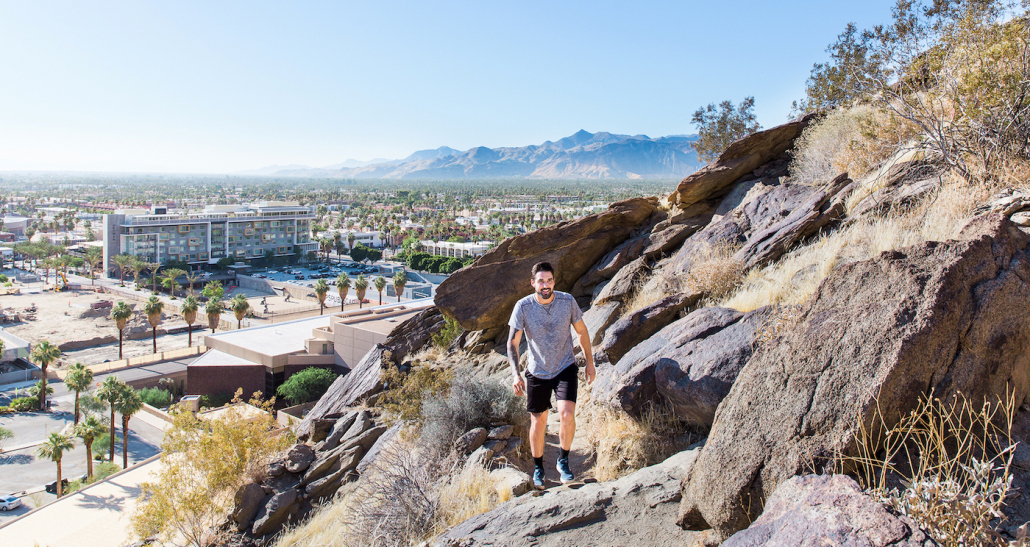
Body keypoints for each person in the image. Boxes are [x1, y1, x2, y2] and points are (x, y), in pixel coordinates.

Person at [507, 261, 595, 489]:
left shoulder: (567, 301)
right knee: (539, 420)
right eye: (540, 281)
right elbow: (512, 343)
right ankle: (538, 468)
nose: (545, 285)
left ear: (554, 281)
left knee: (567, 414)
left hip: (565, 366)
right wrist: (516, 375)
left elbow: (582, 332)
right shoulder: (523, 307)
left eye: (549, 280)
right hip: (537, 371)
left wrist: (590, 363)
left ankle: (563, 460)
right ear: (533, 283)